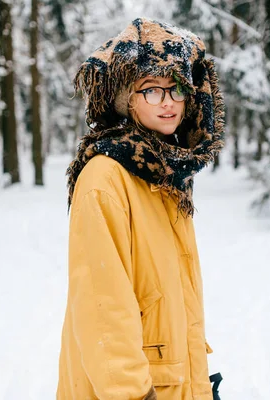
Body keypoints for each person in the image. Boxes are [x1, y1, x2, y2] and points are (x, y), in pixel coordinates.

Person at [57, 17, 224, 400]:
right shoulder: (106, 177)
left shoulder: (165, 175)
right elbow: (103, 306)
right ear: (126, 100)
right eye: (151, 90)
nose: (168, 101)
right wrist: (133, 394)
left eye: (176, 88)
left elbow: (170, 301)